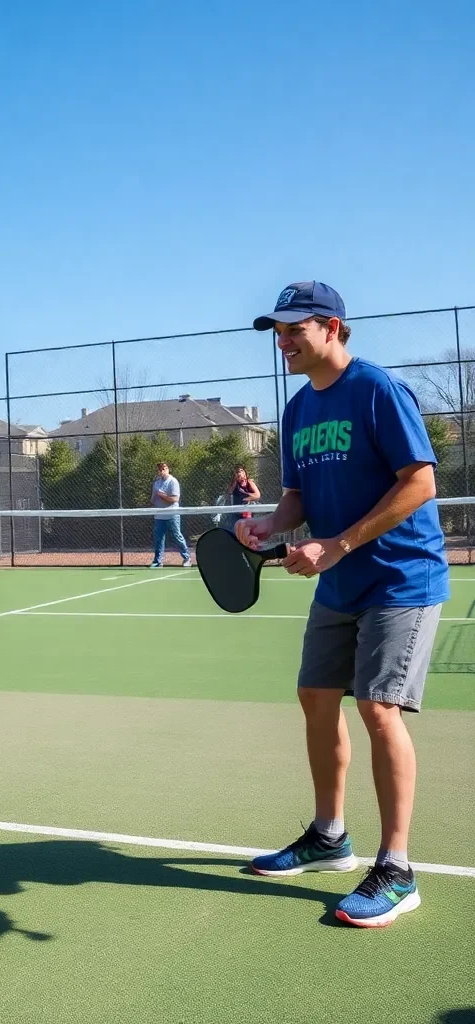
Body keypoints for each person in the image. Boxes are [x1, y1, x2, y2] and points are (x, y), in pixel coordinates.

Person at [240, 281, 449, 928]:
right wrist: (271, 529)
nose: (282, 343)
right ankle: (329, 835)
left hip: (399, 577)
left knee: (377, 706)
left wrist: (339, 544)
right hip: (338, 582)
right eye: (277, 333)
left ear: (332, 327)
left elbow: (420, 481)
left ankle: (397, 868)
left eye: (293, 331)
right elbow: (299, 494)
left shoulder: (378, 390)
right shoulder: (299, 409)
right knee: (315, 695)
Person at [149, 462, 191, 567]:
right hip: (159, 516)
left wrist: (162, 495)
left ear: (168, 469)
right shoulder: (156, 483)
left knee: (177, 536)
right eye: (160, 469)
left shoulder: (173, 482)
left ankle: (187, 558)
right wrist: (154, 496)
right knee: (158, 538)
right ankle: (157, 562)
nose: (162, 471)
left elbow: (175, 499)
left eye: (164, 468)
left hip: (172, 514)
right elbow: (153, 501)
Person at [224, 463, 260, 530]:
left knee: (247, 527)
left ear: (245, 472)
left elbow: (257, 495)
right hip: (236, 510)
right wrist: (235, 480)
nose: (240, 473)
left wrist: (246, 497)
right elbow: (229, 492)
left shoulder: (249, 482)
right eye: (238, 472)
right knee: (236, 528)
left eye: (241, 471)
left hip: (247, 509)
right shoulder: (234, 483)